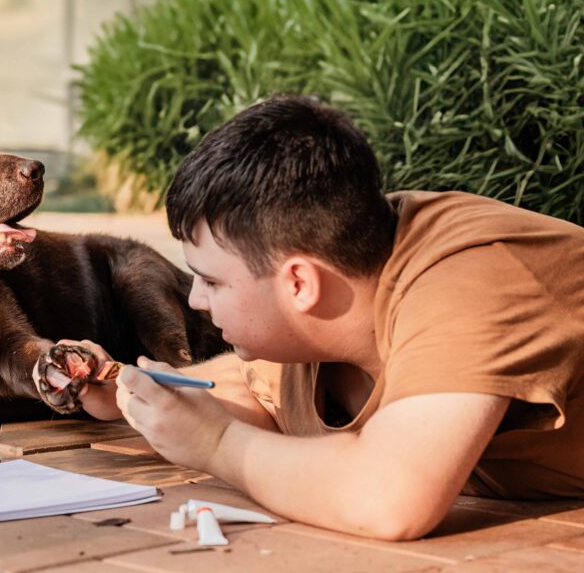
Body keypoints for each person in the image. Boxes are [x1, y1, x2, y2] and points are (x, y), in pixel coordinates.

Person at [74, 95, 584, 541]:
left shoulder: (473, 280)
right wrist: (125, 389)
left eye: (211, 281)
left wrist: (218, 445)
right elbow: (252, 390)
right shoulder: (328, 301)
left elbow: (388, 499)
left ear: (299, 283)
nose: (196, 302)